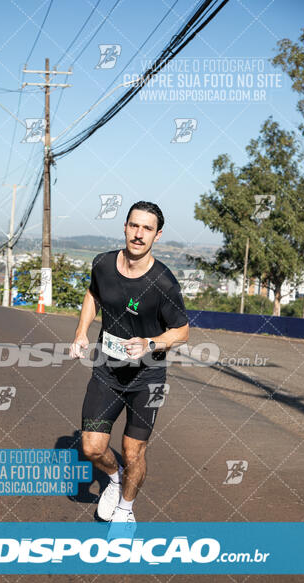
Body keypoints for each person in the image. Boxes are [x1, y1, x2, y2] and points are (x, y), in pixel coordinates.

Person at [69, 201, 189, 524]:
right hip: (107, 371)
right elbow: (93, 295)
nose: (139, 234)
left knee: (134, 450)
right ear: (124, 226)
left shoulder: (163, 282)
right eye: (134, 226)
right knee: (92, 446)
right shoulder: (103, 264)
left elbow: (182, 331)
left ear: (157, 235)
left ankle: (126, 509)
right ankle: (116, 476)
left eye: (147, 229)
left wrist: (152, 343)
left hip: (148, 378)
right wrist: (82, 331)